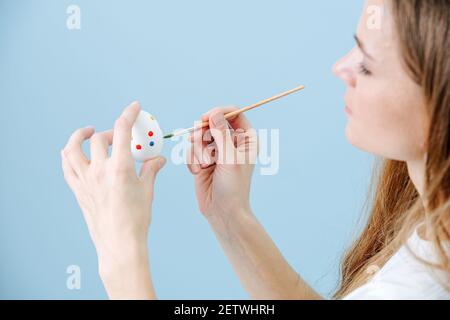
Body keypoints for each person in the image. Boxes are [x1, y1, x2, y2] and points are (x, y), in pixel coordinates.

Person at [61, 0, 450, 299]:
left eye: (366, 65)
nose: (340, 67)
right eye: (354, 49)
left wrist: (120, 252)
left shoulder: (428, 283)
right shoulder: (432, 233)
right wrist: (229, 214)